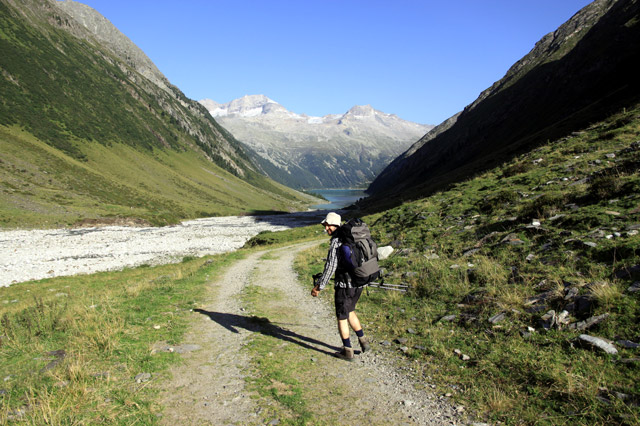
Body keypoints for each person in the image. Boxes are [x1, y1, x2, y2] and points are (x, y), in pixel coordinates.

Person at [311, 212, 370, 360]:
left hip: (345, 285)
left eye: (327, 225)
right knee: (350, 311)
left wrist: (319, 287)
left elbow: (331, 266)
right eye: (325, 226)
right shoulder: (353, 237)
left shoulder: (338, 240)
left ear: (334, 225)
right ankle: (363, 342)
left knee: (341, 316)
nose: (326, 229)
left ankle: (347, 351)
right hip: (359, 282)